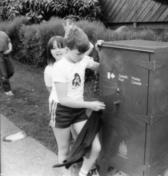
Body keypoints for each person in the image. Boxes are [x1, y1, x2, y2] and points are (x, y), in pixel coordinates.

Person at [50, 23, 105, 176]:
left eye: (83, 54)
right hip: (61, 109)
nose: (81, 58)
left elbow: (101, 67)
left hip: (78, 109)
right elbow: (63, 99)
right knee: (64, 150)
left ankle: (83, 173)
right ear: (67, 50)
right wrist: (89, 105)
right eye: (78, 54)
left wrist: (101, 52)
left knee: (95, 147)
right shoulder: (59, 67)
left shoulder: (82, 59)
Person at [0, 31, 14, 96]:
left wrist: (10, 49)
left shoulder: (3, 33)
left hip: (6, 54)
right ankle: (7, 90)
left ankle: (2, 81)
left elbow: (9, 42)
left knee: (11, 71)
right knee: (4, 74)